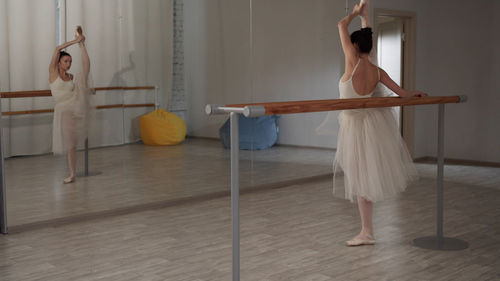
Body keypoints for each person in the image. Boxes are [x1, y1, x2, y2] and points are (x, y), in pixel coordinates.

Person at [336, 0, 426, 246]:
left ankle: (366, 231)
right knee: (364, 178)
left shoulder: (351, 62)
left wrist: (354, 12)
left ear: (354, 46)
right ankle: (366, 230)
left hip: (355, 128)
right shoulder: (376, 70)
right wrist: (365, 17)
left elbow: (340, 25)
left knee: (360, 179)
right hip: (370, 128)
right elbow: (403, 92)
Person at [49, 26, 91, 184]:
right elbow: (57, 48)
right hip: (64, 109)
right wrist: (75, 40)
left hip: (75, 104)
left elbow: (78, 78)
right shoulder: (53, 73)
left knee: (84, 73)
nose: (69, 64)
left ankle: (83, 47)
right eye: (66, 61)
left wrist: (80, 42)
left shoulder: (71, 76)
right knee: (71, 143)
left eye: (70, 62)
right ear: (59, 62)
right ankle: (72, 173)